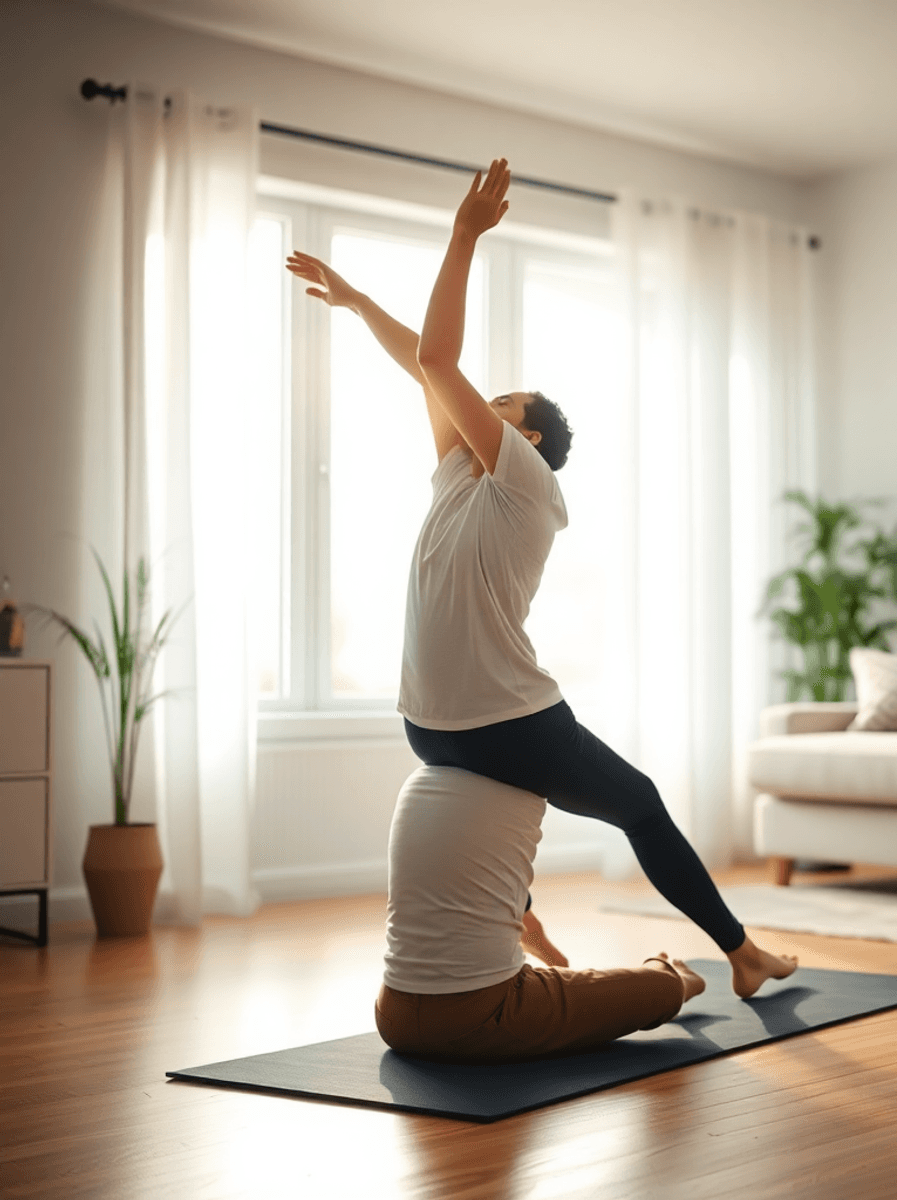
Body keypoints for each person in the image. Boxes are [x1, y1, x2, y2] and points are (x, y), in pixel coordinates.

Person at [287, 158, 798, 999]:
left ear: (526, 439)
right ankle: (741, 955)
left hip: (442, 721)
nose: (480, 405)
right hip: (489, 720)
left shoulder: (527, 483)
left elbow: (437, 359)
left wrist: (463, 239)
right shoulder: (459, 467)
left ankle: (654, 938)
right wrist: (355, 302)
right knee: (638, 804)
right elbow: (428, 364)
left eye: (502, 403)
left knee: (636, 801)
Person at [375, 763, 705, 1061]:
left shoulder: (423, 781)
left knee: (480, 884)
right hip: (484, 1015)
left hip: (392, 1016)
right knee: (658, 990)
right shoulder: (524, 771)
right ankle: (672, 979)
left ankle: (555, 970)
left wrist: (553, 960)